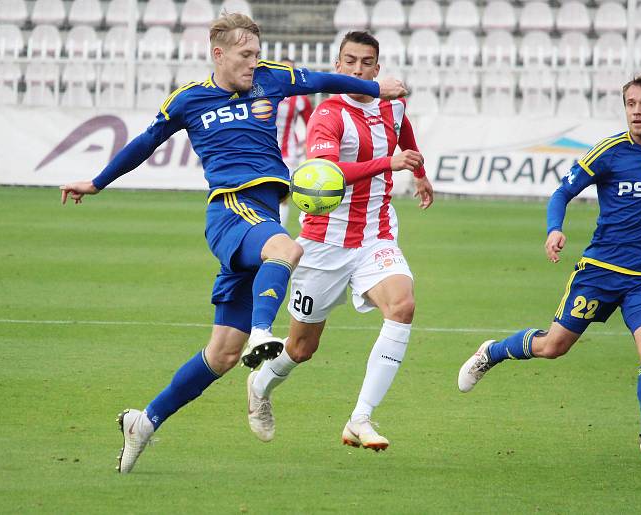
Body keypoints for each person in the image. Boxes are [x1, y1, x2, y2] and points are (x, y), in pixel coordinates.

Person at [59, 13, 408, 474]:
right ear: (218, 54)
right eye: (245, 55)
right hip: (231, 208)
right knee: (288, 250)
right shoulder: (189, 99)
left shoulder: (270, 79)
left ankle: (144, 421)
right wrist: (98, 182)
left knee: (221, 353)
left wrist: (371, 88)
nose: (253, 63)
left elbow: (323, 78)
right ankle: (263, 334)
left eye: (256, 54)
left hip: (262, 215)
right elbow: (144, 143)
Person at [457, 67, 641, 457]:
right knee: (554, 346)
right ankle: (493, 352)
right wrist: (554, 229)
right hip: (600, 272)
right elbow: (561, 193)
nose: (636, 112)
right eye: (631, 104)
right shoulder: (610, 152)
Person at [246, 31, 434, 451]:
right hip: (323, 242)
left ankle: (360, 419)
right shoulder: (328, 114)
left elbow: (404, 134)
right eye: (349, 61)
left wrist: (418, 172)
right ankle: (259, 387)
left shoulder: (394, 105)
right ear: (337, 64)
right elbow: (328, 173)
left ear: (377, 69)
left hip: (376, 234)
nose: (356, 69)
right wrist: (391, 162)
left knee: (402, 305)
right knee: (301, 347)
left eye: (366, 63)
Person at [275, 58, 313, 228]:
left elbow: (311, 124)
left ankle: (278, 233)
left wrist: (308, 147)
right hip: (265, 151)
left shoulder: (300, 99)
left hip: (288, 153)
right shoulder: (264, 92)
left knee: (282, 196)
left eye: (290, 70)